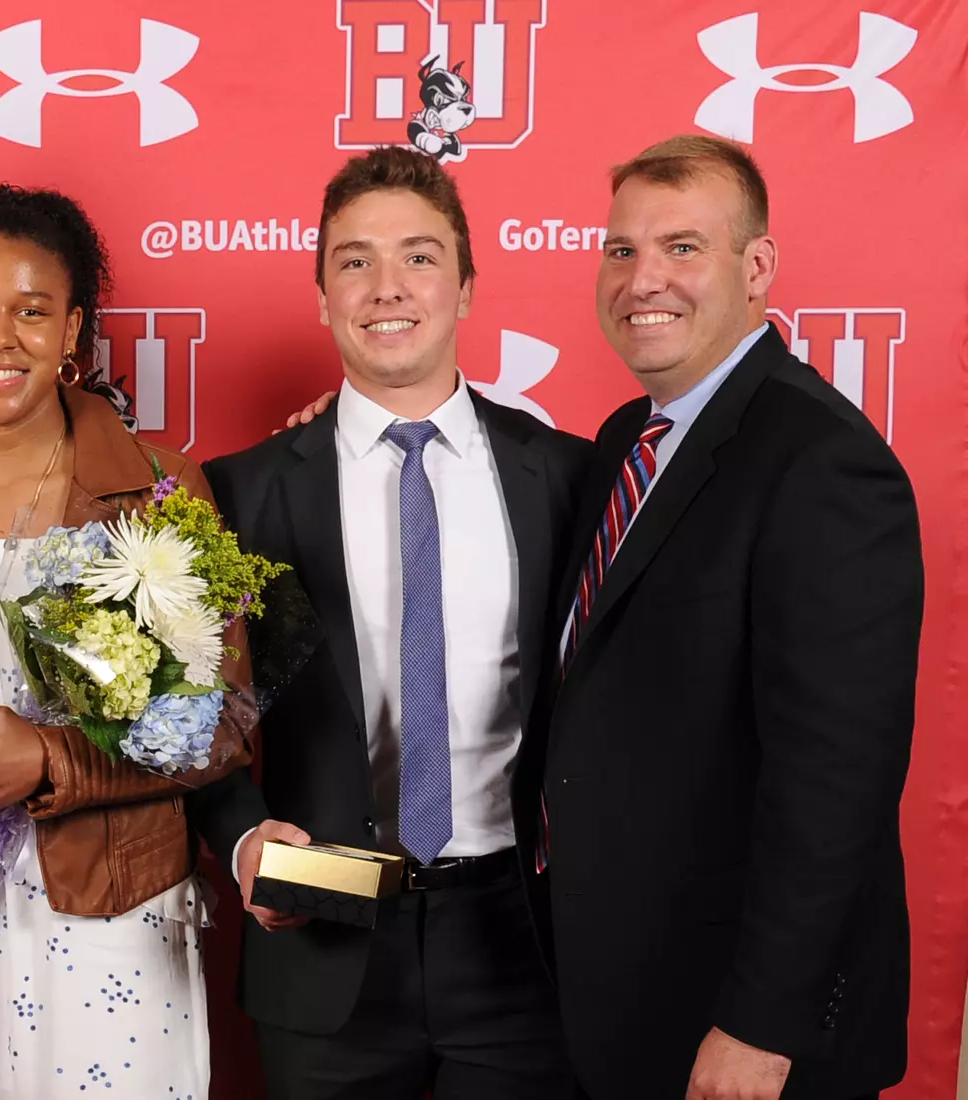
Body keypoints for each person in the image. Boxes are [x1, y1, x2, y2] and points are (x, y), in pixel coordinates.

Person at [188, 145, 588, 1098]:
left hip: (519, 947)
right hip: (320, 942)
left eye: (418, 256)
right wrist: (245, 840)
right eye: (353, 261)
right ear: (321, 293)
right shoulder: (241, 493)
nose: (385, 287)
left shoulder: (567, 479)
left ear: (466, 284)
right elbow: (188, 719)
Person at [0, 183, 257, 1100]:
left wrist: (52, 760)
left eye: (32, 312)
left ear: (73, 332)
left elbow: (223, 724)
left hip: (114, 902)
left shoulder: (155, 489)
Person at [539, 135, 921, 1100]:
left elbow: (835, 782)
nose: (641, 280)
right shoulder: (631, 440)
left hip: (740, 1030)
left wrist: (761, 1023)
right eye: (620, 250)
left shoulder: (821, 463)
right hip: (622, 994)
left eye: (680, 247)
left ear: (755, 269)